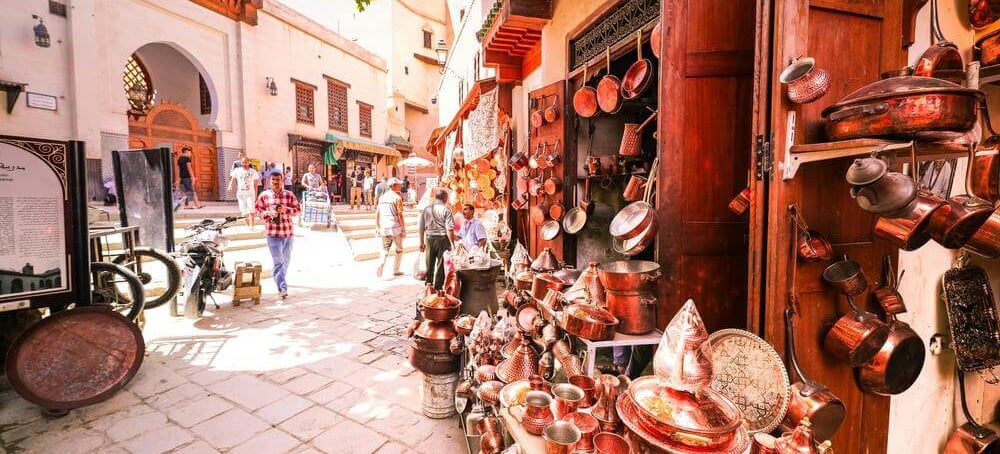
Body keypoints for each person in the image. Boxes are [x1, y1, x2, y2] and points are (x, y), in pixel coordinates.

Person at [255, 170, 301, 299]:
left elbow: (298, 210)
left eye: (278, 180)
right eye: (273, 180)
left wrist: (286, 210)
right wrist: (268, 214)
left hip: (288, 232)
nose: (275, 182)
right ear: (269, 181)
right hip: (272, 233)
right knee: (278, 261)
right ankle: (282, 287)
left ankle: (280, 279)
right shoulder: (264, 196)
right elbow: (258, 210)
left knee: (286, 260)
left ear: (282, 181)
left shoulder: (289, 195)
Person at [419, 189, 456, 290]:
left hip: (429, 239)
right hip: (442, 240)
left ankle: (428, 287)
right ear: (445, 198)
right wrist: (452, 244)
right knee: (440, 266)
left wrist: (421, 242)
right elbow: (449, 229)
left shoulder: (426, 209)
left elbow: (421, 227)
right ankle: (438, 288)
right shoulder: (446, 210)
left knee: (429, 264)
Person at [376, 178, 406, 278]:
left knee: (385, 249)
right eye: (398, 184)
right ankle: (396, 270)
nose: (400, 186)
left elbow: (377, 213)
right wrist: (403, 229)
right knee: (399, 249)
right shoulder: (397, 198)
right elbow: (400, 215)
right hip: (395, 227)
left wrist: (377, 226)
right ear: (393, 186)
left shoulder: (382, 197)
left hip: (384, 227)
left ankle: (381, 264)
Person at [228, 156, 260, 229]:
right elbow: (232, 178)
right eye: (243, 162)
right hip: (241, 194)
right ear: (241, 163)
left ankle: (252, 226)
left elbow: (255, 184)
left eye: (246, 162)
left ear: (248, 163)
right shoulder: (237, 170)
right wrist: (230, 185)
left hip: (250, 193)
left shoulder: (253, 171)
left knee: (251, 209)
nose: (244, 164)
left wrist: (256, 195)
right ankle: (247, 226)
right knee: (244, 210)